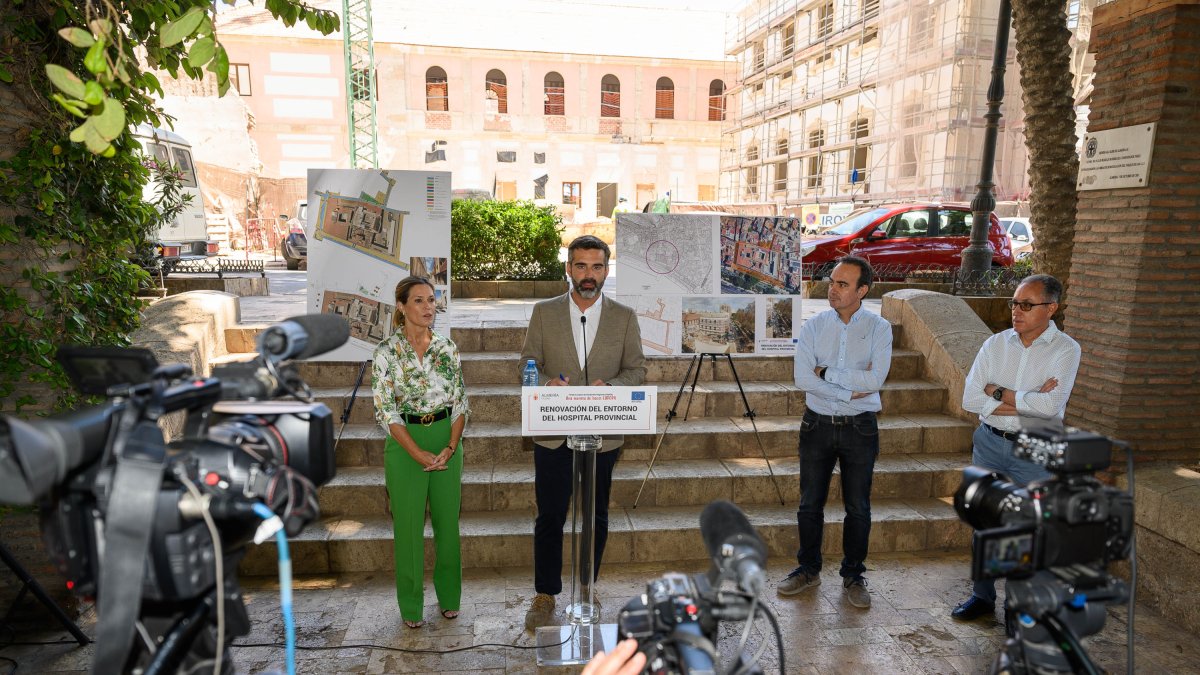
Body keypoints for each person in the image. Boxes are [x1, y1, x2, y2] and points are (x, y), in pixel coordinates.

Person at [520, 235, 646, 631]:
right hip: (554, 431)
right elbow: (527, 363)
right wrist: (543, 382)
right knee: (551, 515)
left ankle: (586, 586)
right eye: (580, 266)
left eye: (596, 267)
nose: (588, 275)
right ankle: (545, 593)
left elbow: (637, 371)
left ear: (606, 271)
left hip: (603, 433)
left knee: (597, 515)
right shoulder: (544, 312)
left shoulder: (624, 316)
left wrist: (611, 387)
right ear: (568, 269)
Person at [951, 274, 1080, 621]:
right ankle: (981, 596)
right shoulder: (995, 345)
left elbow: (1050, 406)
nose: (1016, 311)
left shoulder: (1066, 350)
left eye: (1026, 304)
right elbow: (969, 398)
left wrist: (998, 393)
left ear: (1050, 308)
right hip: (990, 444)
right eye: (1014, 303)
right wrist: (1027, 399)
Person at [778, 255, 892, 609]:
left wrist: (827, 374)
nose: (833, 289)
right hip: (817, 425)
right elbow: (802, 378)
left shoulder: (879, 328)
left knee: (858, 507)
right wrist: (849, 388)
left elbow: (875, 381)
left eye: (843, 284)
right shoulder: (814, 326)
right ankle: (807, 568)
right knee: (809, 503)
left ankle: (853, 575)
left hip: (860, 428)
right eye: (832, 282)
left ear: (862, 290)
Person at [371, 276, 471, 629]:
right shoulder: (385, 352)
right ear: (401, 306)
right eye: (419, 301)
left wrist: (450, 446)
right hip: (404, 442)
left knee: (448, 526)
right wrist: (415, 452)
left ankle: (450, 597)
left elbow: (461, 403)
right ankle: (411, 604)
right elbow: (385, 410)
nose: (429, 307)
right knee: (409, 529)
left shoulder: (448, 348)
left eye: (432, 300)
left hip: (446, 438)